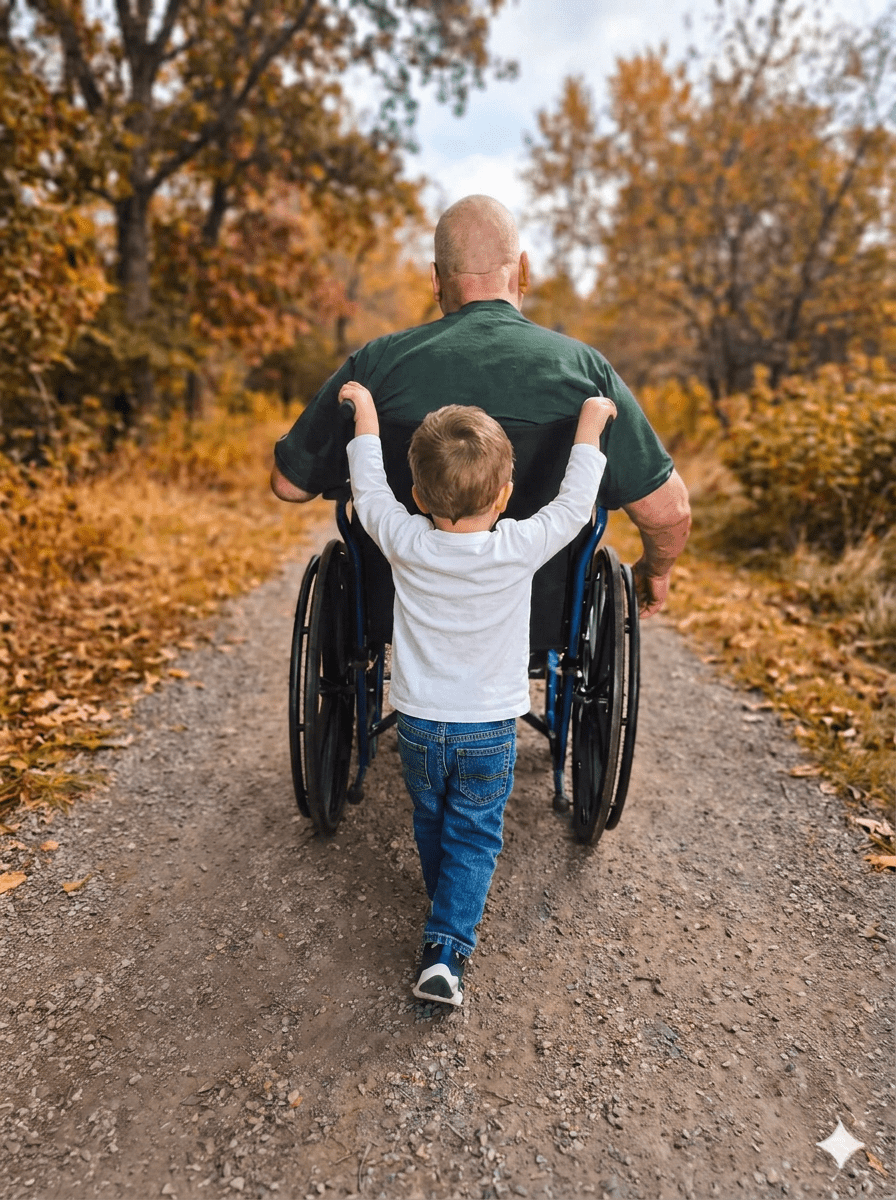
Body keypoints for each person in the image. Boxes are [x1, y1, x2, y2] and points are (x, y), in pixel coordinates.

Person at [270, 194, 690, 626]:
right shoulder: (584, 370)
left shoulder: (376, 363)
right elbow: (668, 513)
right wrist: (656, 570)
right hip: (543, 620)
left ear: (435, 281)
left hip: (395, 608)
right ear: (523, 271)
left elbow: (289, 484)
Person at [339, 379, 617, 1005]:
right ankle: (446, 948)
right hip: (488, 730)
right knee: (477, 832)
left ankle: (446, 904)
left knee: (431, 817)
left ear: (417, 496)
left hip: (416, 722)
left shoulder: (405, 540)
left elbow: (368, 490)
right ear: (506, 495)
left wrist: (365, 413)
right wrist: (590, 428)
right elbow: (574, 509)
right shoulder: (515, 548)